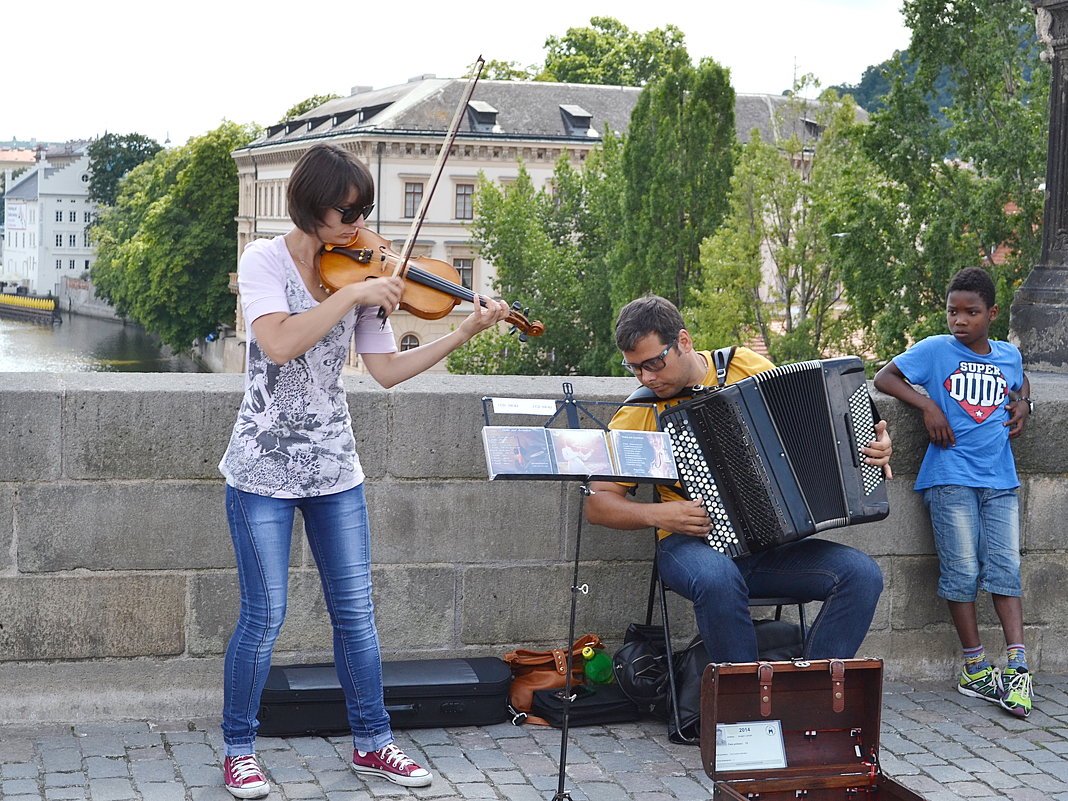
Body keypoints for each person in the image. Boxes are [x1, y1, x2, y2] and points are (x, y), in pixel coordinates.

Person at [217, 143, 511, 798]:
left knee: (357, 612)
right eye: (345, 213)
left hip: (335, 466)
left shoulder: (363, 274)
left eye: (363, 212)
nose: (358, 227)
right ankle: (239, 747)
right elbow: (279, 342)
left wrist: (463, 331)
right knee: (264, 614)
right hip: (262, 467)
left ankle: (373, 742)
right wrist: (352, 295)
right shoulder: (264, 260)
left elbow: (384, 372)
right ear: (308, 207)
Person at [584, 294, 890, 665]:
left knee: (861, 574)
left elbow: (808, 422)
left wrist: (872, 446)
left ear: (683, 342)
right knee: (718, 578)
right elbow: (599, 503)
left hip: (767, 549)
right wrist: (660, 516)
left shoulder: (742, 365)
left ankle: (811, 695)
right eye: (635, 368)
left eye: (653, 363)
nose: (647, 377)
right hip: (688, 547)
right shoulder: (639, 413)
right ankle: (742, 707)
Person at [874, 267, 1033, 717]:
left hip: (1000, 480)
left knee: (1006, 569)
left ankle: (1018, 666)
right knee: (962, 571)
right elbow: (886, 378)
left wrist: (1023, 403)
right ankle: (976, 667)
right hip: (949, 478)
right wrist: (927, 406)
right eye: (952, 311)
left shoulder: (1007, 355)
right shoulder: (935, 349)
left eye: (971, 312)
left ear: (992, 313)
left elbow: (1020, 381)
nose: (959, 321)